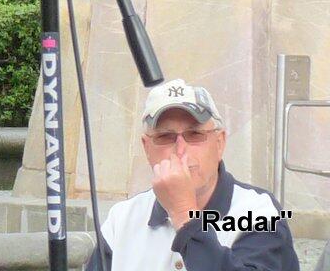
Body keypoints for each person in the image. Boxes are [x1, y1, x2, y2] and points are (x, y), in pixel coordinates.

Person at [85, 80, 298, 271]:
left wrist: (184, 215)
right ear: (147, 148)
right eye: (165, 136)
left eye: (195, 134)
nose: (180, 150)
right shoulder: (122, 219)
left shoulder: (258, 211)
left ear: (220, 143)